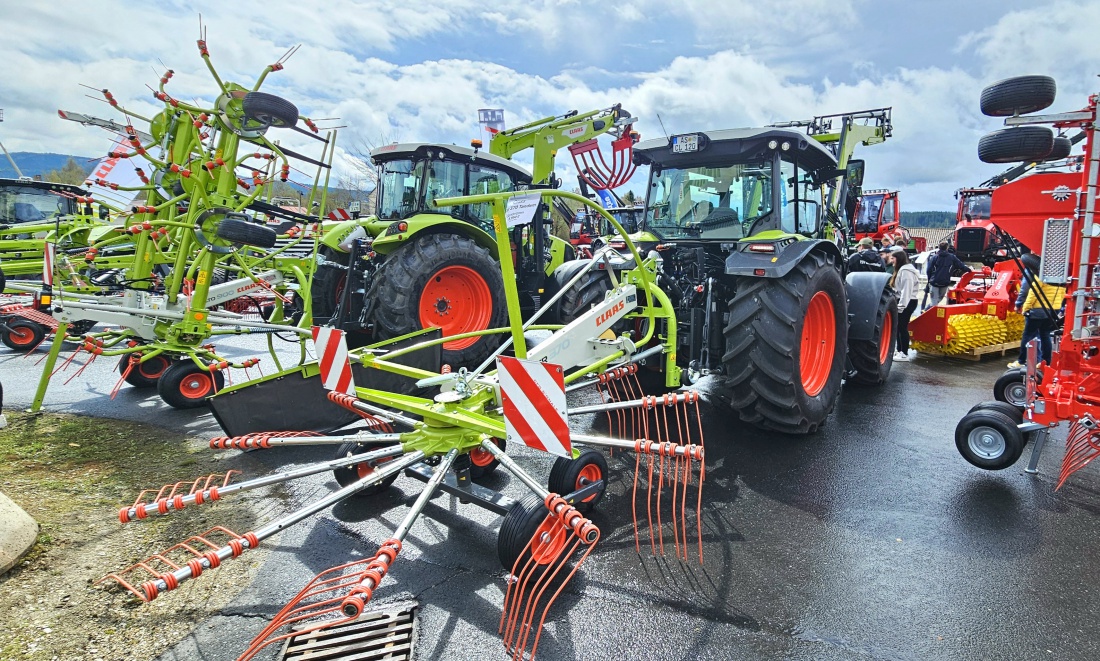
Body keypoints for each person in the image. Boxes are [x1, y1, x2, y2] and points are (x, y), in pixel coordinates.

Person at [1008, 253, 1064, 368]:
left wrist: (1025, 308)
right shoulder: (1060, 277)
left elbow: (1032, 293)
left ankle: (1021, 361)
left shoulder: (1040, 276)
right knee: (1045, 334)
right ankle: (1045, 362)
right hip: (1054, 310)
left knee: (1028, 335)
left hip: (1038, 310)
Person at [890, 248, 920, 362]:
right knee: (899, 327)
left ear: (898, 259)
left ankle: (904, 353)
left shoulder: (906, 272)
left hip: (907, 302)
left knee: (902, 327)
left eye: (893, 258)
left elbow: (906, 290)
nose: (891, 260)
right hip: (906, 301)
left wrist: (901, 306)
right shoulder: (902, 269)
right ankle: (900, 350)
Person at [925, 241, 971, 307]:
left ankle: (927, 312)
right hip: (945, 282)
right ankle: (927, 311)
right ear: (947, 248)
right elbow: (961, 265)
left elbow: (928, 270)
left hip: (934, 282)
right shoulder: (952, 257)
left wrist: (929, 280)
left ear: (939, 247)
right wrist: (969, 270)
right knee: (939, 299)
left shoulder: (934, 257)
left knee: (934, 301)